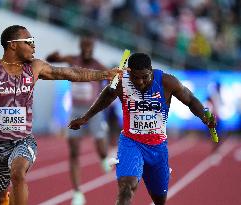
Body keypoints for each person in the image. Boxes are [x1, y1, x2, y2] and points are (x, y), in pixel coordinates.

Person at [0, 25, 122, 205]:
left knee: (18, 172)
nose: (34, 47)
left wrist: (105, 74)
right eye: (29, 42)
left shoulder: (35, 67)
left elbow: (70, 73)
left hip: (23, 141)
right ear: (13, 45)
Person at [69, 53, 216, 205]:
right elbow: (107, 95)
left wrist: (204, 117)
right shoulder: (122, 82)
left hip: (157, 147)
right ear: (129, 73)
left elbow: (190, 100)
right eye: (135, 77)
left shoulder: (167, 82)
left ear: (151, 71)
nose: (140, 82)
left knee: (159, 199)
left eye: (145, 77)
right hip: (131, 143)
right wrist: (85, 118)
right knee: (126, 187)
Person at [46, 36, 111, 205]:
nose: (87, 50)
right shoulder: (72, 59)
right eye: (85, 47)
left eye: (90, 47)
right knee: (74, 152)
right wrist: (53, 57)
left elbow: (113, 79)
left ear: (93, 48)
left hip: (93, 111)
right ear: (81, 47)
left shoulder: (98, 65)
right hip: (75, 111)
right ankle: (77, 193)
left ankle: (103, 157)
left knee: (102, 149)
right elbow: (52, 60)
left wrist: (116, 75)